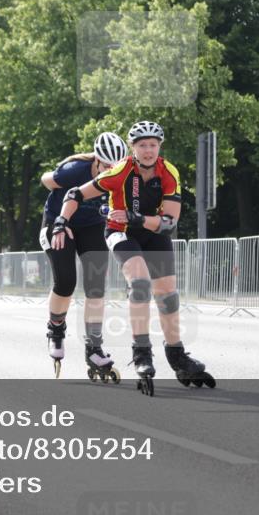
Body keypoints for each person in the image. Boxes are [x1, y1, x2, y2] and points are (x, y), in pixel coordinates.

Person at [52, 120, 215, 396]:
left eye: (153, 145)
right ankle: (142, 353)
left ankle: (177, 354)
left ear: (159, 146)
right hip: (121, 233)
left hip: (152, 232)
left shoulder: (168, 172)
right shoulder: (120, 171)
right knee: (140, 284)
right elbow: (75, 193)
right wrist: (60, 221)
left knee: (168, 294)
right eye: (142, 145)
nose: (148, 150)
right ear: (133, 148)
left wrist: (135, 216)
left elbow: (169, 223)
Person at [40, 132, 127, 380]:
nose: (110, 172)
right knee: (66, 281)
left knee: (96, 287)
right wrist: (54, 179)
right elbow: (46, 180)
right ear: (96, 162)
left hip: (91, 226)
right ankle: (56, 330)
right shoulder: (74, 170)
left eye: (115, 168)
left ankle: (94, 347)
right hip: (59, 222)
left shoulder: (123, 177)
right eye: (106, 167)